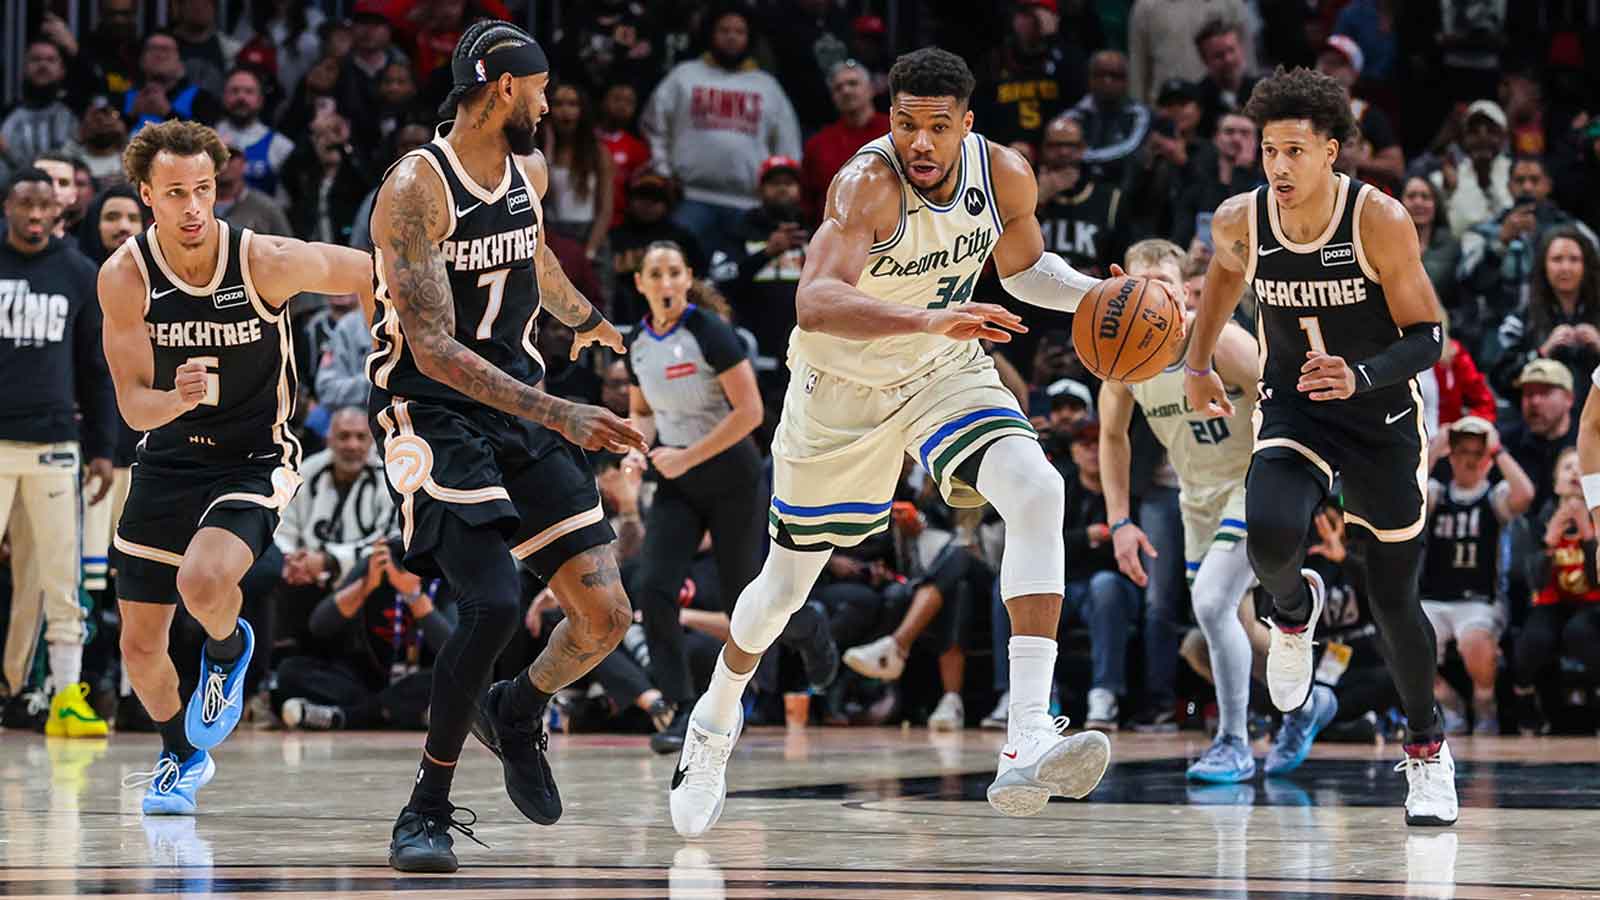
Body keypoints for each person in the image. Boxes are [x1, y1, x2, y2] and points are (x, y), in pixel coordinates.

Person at [667, 47, 1126, 837]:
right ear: (891, 121)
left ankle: (1025, 734)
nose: (919, 141)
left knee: (1038, 489)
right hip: (840, 391)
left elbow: (1022, 271)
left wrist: (1099, 293)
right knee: (783, 588)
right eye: (906, 123)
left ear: (966, 126)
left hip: (941, 368)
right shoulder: (865, 186)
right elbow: (813, 300)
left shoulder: (1006, 175)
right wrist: (924, 317)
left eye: (937, 128)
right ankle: (712, 720)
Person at [365, 21, 647, 873]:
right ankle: (426, 809)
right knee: (490, 602)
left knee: (604, 618)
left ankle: (517, 709)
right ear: (497, 88)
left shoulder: (528, 168)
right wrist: (562, 413)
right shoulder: (417, 188)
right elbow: (432, 348)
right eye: (539, 87)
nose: (548, 100)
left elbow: (536, 259)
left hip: (518, 404)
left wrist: (587, 321)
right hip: (430, 411)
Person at [1183, 67, 1455, 826]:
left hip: (1381, 422)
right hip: (1297, 408)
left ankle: (1427, 752)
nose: (1278, 166)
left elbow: (1428, 336)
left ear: (1332, 151)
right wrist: (1198, 362)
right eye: (1270, 150)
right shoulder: (1241, 218)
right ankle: (1294, 614)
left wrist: (1361, 372)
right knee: (1269, 535)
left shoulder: (1380, 219)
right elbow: (1219, 285)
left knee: (1394, 600)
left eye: (1295, 151)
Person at [99, 121, 374, 816]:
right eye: (175, 193)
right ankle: (180, 754)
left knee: (205, 578)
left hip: (253, 456)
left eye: (204, 190)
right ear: (145, 195)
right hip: (165, 454)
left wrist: (387, 369)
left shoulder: (263, 260)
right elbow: (132, 406)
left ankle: (227, 649)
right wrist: (174, 397)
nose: (194, 206)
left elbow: (368, 271)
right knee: (139, 646)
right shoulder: (125, 275)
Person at [624, 241, 835, 753]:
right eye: (655, 274)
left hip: (732, 475)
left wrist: (684, 455)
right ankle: (680, 709)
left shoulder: (709, 332)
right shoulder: (637, 341)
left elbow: (751, 414)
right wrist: (635, 450)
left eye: (674, 272)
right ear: (641, 284)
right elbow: (643, 412)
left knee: (750, 601)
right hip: (679, 477)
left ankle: (810, 629)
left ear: (687, 278)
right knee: (653, 588)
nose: (665, 282)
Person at [1099, 239, 1266, 781]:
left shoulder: (1220, 338)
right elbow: (1111, 437)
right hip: (1197, 501)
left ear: (1183, 287)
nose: (1157, 296)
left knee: (1212, 604)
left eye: (1167, 284)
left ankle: (1234, 742)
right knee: (1222, 627)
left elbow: (1279, 396)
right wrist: (1120, 520)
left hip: (1252, 482)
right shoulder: (1125, 359)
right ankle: (1310, 706)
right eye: (1143, 287)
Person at [0, 169, 117, 736]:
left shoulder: (78, 273)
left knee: (59, 575)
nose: (36, 213)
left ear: (59, 211)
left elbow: (95, 371)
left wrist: (102, 448)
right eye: (25, 202)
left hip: (54, 443)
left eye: (46, 203)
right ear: (8, 207)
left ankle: (67, 695)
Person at [1420, 415, 1533, 735]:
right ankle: (1447, 701)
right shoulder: (1437, 494)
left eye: (1476, 453)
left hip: (1480, 600)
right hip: (1434, 597)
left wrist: (1498, 450)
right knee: (1405, 642)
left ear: (1487, 459)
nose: (1469, 460)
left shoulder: (1495, 496)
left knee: (1474, 641)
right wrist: (1434, 447)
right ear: (1450, 456)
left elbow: (1526, 494)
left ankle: (1485, 704)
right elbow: (1404, 493)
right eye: (1461, 452)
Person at [802, 61, 891, 221]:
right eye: (838, 88)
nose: (846, 90)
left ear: (871, 89)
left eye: (853, 83)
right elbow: (809, 202)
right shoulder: (818, 145)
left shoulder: (897, 132)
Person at [214, 68, 295, 201]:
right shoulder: (204, 142)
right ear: (224, 97)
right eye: (234, 91)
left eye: (249, 92)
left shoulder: (281, 146)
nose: (241, 97)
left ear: (260, 100)